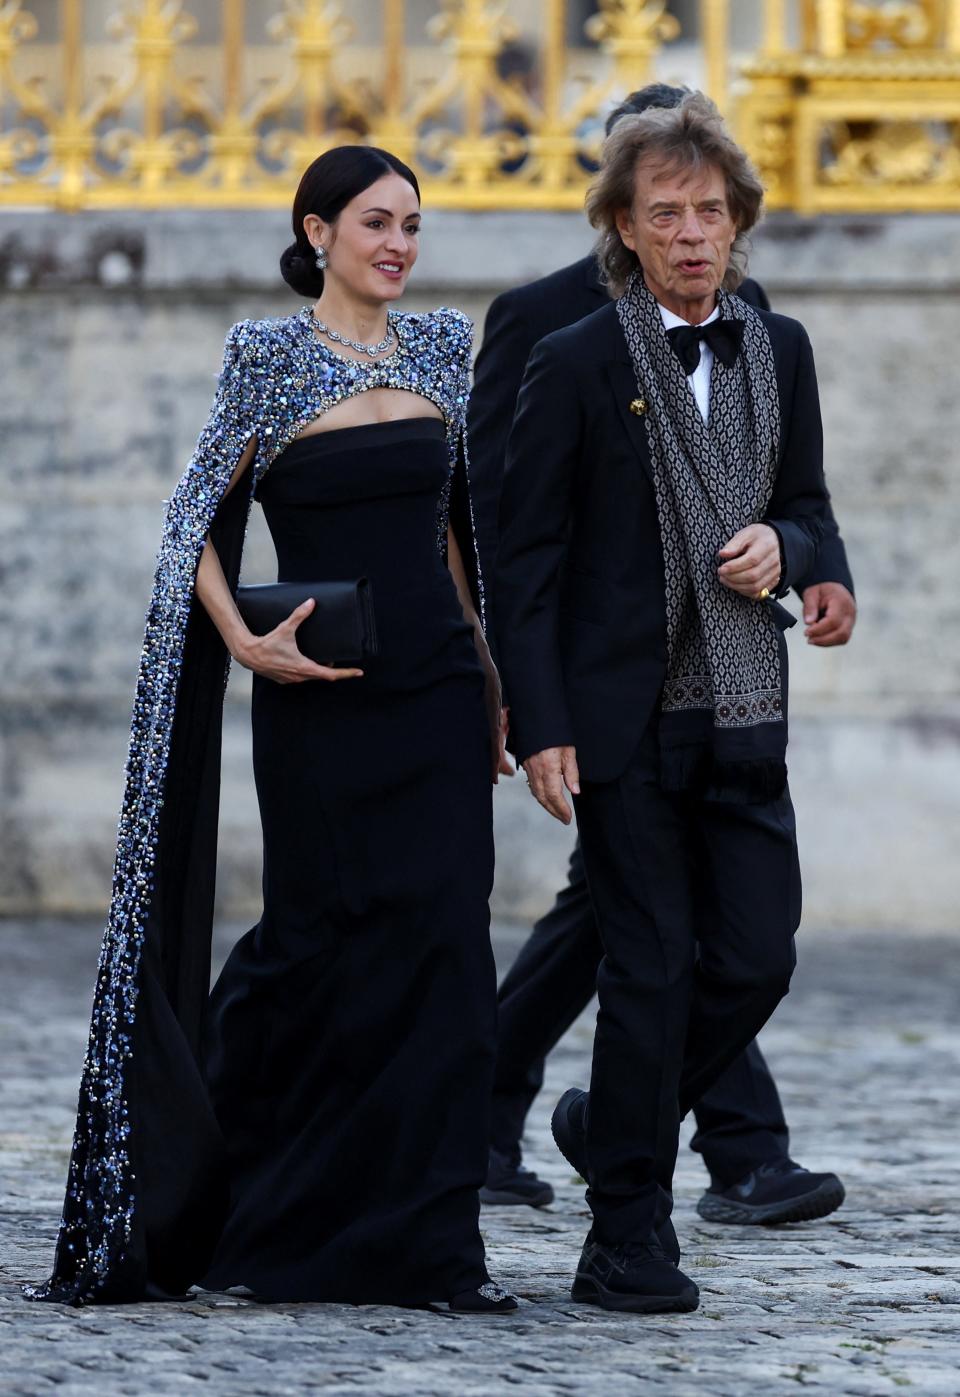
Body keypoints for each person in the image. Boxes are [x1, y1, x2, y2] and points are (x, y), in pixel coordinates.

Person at [27, 146, 516, 1313]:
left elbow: (458, 537)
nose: (399, 243)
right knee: (316, 943)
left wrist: (493, 677)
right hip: (319, 698)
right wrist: (243, 642)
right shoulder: (267, 355)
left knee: (448, 952)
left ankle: (435, 1249)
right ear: (316, 233)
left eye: (412, 224)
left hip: (439, 693)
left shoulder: (447, 345)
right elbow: (192, 518)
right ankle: (259, 1206)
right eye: (376, 223)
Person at [469, 85, 853, 1227]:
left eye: (710, 209)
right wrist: (525, 696)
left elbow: (799, 495)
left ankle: (582, 1119)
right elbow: (509, 519)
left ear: (736, 215)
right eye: (665, 209)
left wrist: (794, 552)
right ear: (622, 214)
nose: (691, 231)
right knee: (653, 949)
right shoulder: (549, 324)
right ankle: (709, 1163)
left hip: (739, 699)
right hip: (617, 696)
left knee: (713, 946)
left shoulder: (766, 331)